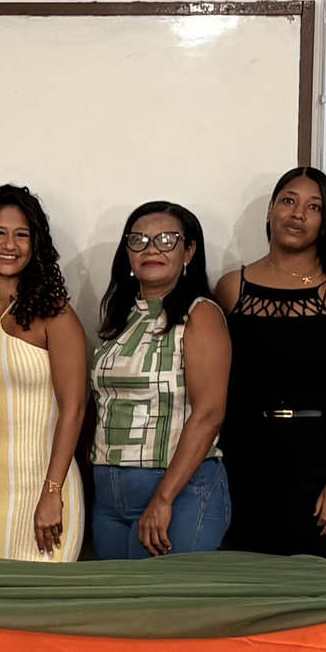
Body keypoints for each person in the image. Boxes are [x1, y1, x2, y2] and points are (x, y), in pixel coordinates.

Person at [217, 166, 326, 564]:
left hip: (320, 460)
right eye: (288, 200)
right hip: (244, 458)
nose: (298, 214)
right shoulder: (231, 288)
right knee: (247, 578)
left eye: (314, 206)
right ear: (271, 209)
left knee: (314, 582)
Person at [91, 200, 232, 560]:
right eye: (138, 239)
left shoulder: (200, 314)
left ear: (189, 252)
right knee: (117, 596)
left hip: (178, 491)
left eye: (166, 240)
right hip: (109, 497)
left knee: (167, 596)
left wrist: (164, 498)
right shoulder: (120, 317)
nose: (151, 248)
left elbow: (209, 414)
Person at [0, 187, 88, 562]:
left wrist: (51, 493)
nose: (9, 245)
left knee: (43, 598)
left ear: (36, 244)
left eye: (22, 234)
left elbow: (75, 409)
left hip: (47, 492)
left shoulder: (56, 315)